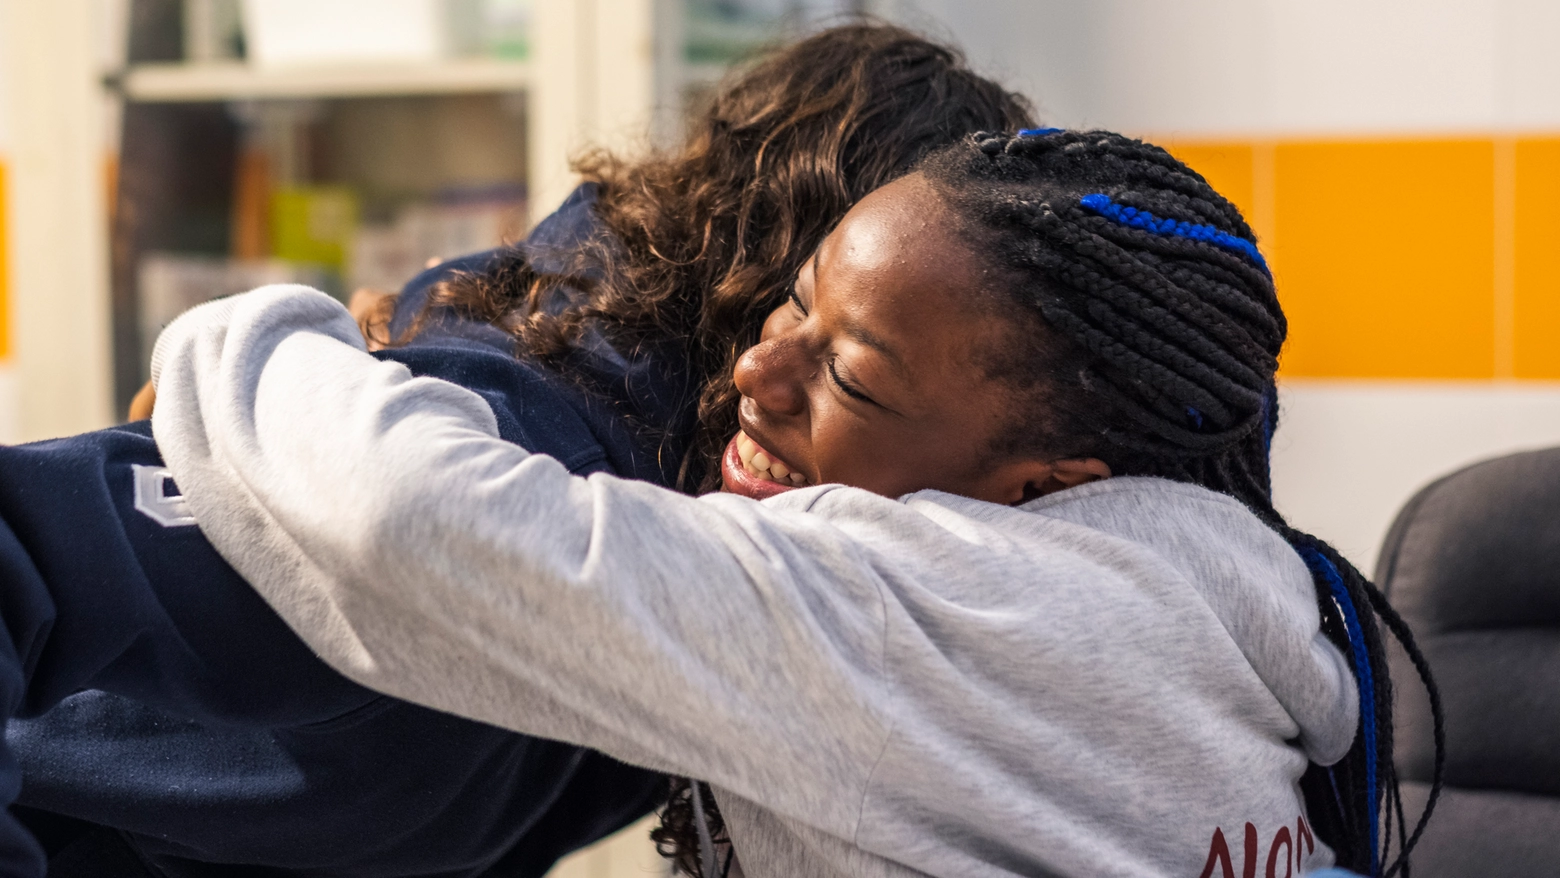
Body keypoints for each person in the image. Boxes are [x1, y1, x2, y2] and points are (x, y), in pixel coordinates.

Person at [150, 129, 1446, 878]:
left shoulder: (933, 613)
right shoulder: (1224, 578)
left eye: (853, 375)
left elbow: (412, 526)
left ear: (1042, 484)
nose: (759, 367)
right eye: (797, 298)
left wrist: (254, 338)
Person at [0, 24, 1032, 877]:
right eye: (855, 348)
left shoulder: (720, 577)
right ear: (781, 280)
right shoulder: (489, 475)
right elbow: (27, 540)